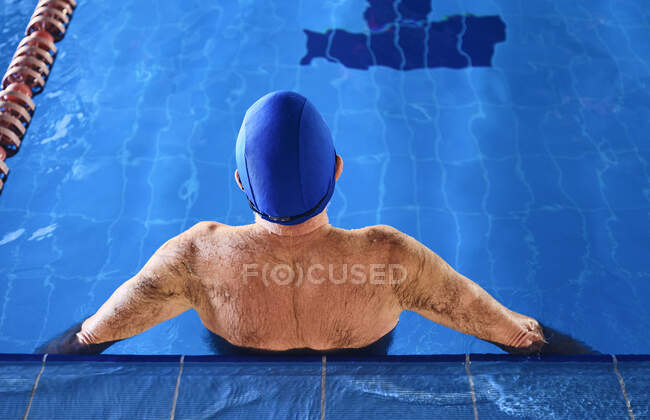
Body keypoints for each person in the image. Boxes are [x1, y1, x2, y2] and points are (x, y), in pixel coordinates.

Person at [38, 91, 577, 356]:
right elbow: (517, 336)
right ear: (338, 171)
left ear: (240, 182)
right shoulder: (391, 259)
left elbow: (89, 337)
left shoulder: (195, 257)